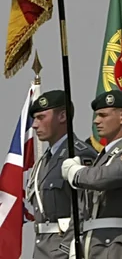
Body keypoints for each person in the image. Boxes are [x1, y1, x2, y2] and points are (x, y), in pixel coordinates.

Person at [62, 90, 122, 259]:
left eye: (103, 115)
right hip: (93, 243)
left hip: (115, 245)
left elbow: (102, 178)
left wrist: (76, 172)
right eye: (96, 115)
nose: (96, 121)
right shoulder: (102, 158)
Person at [26, 89, 97, 259]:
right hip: (42, 248)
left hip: (63, 248)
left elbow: (84, 209)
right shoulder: (44, 161)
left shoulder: (79, 155)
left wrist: (67, 248)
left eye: (41, 117)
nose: (35, 125)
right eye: (34, 118)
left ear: (62, 116)